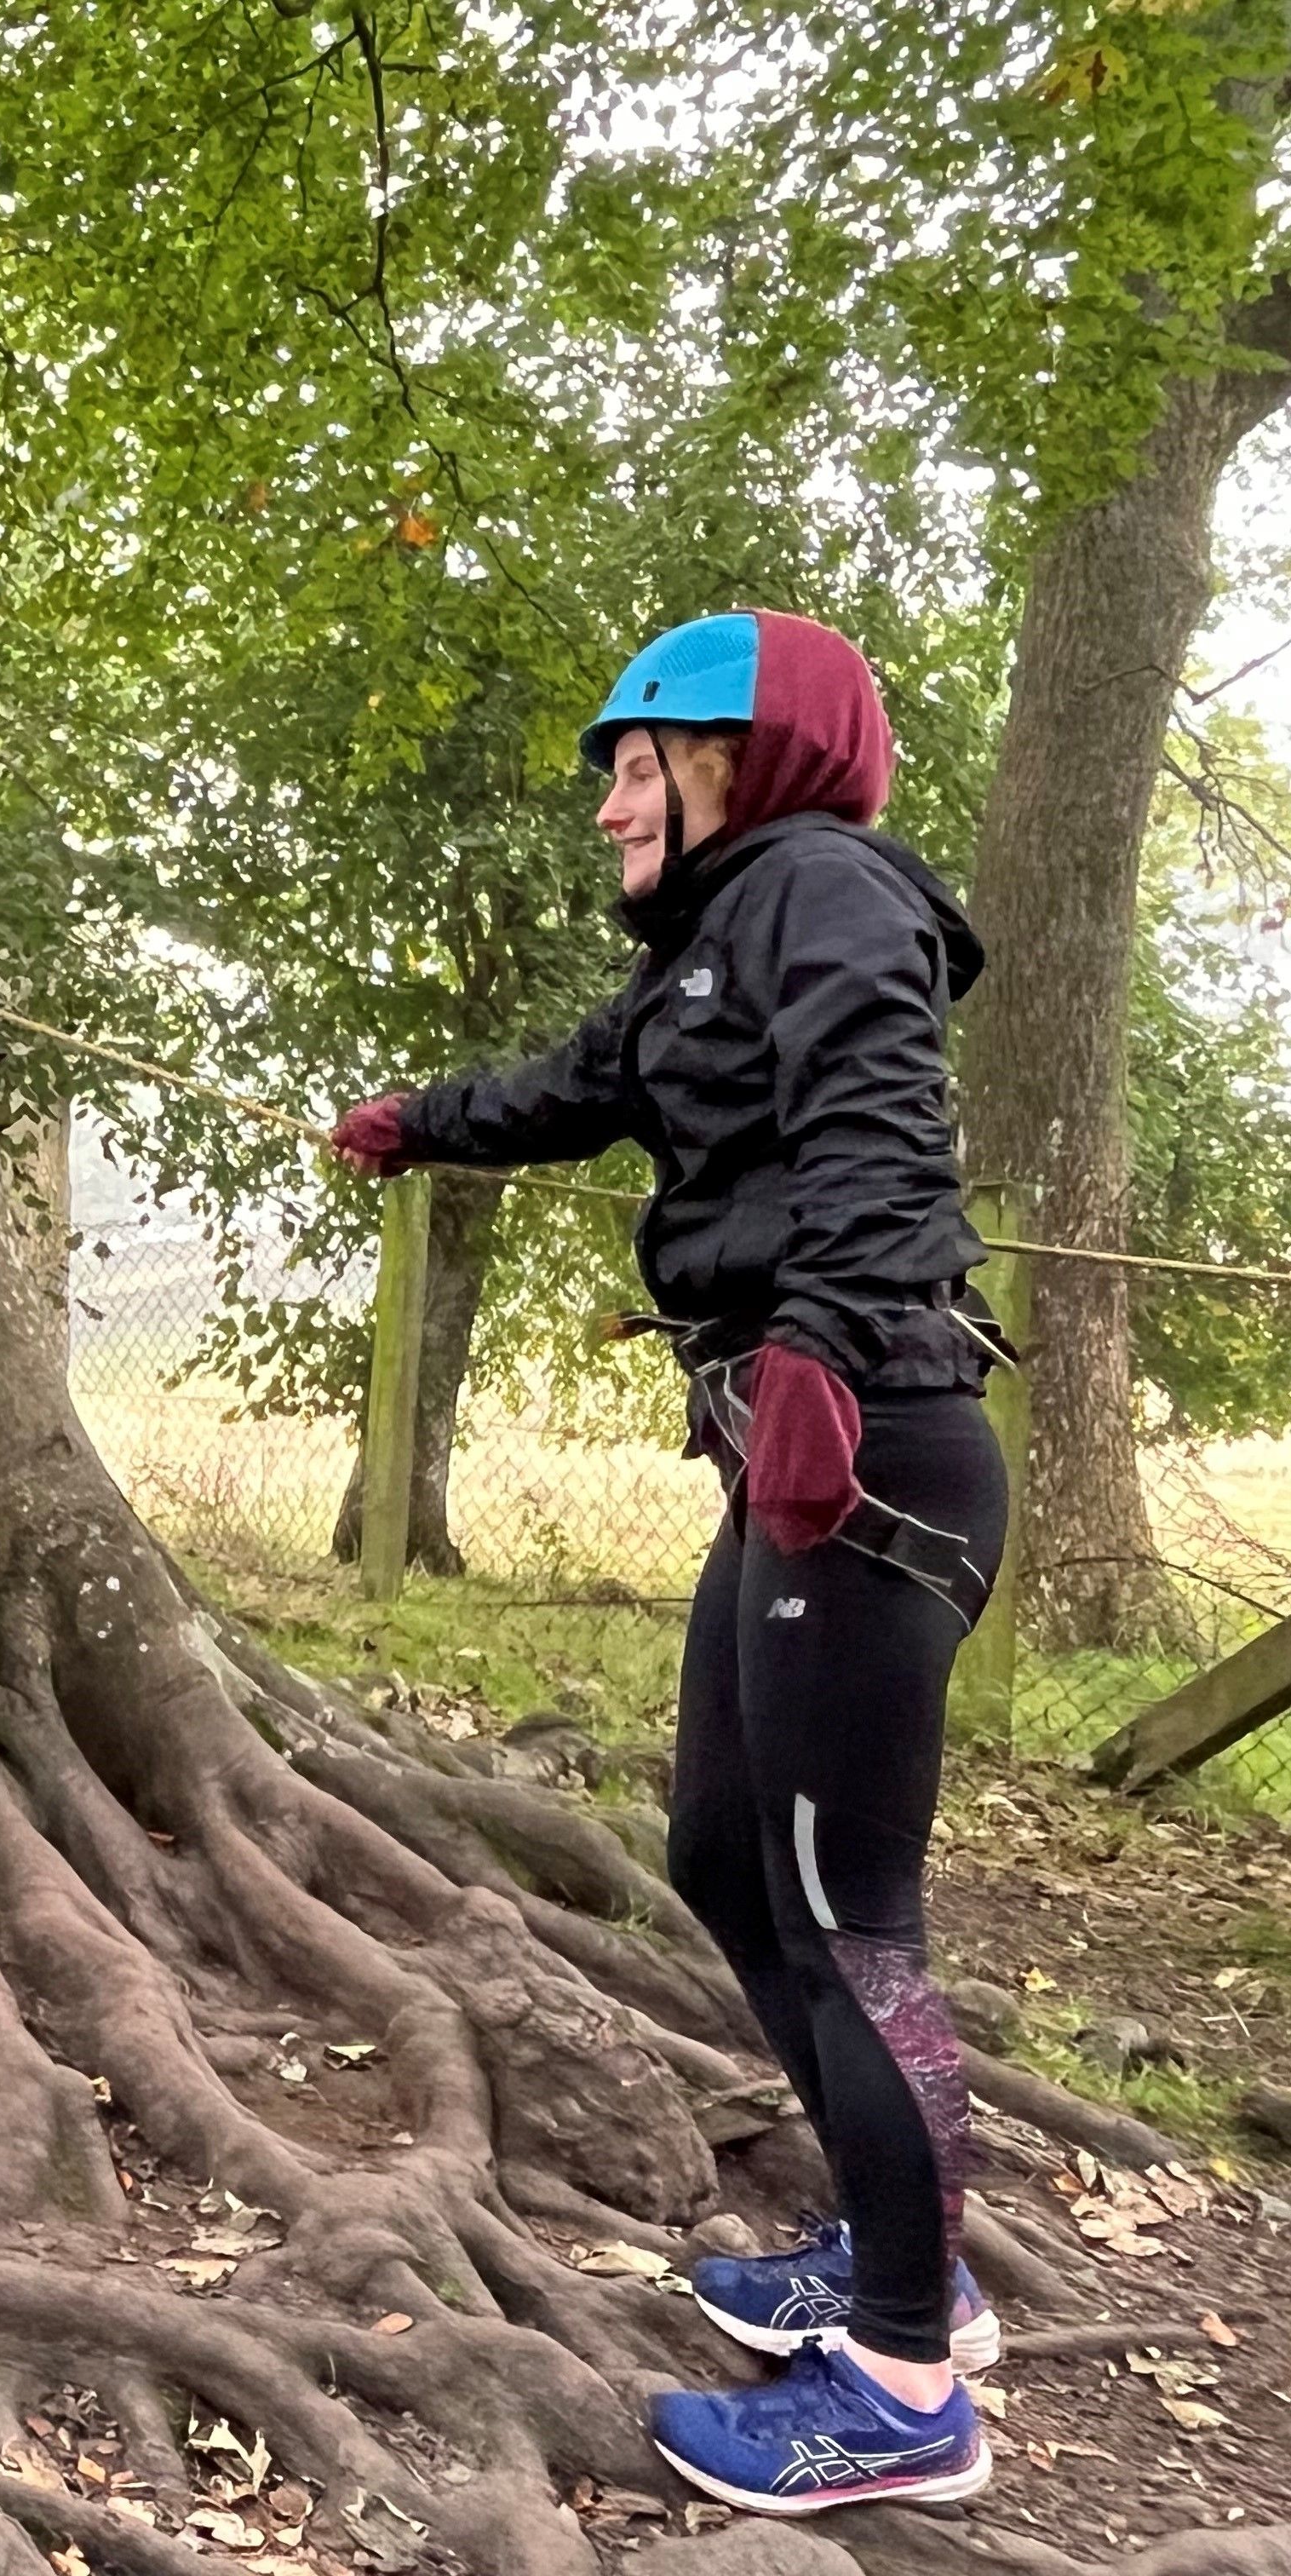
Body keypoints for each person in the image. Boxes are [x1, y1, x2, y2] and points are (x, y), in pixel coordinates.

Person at [330, 611, 1008, 2516]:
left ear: (748, 759)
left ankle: (904, 2388)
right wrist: (415, 1123)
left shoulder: (827, 890)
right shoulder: (713, 948)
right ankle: (907, 2258)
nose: (614, 802)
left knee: (838, 1899)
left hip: (864, 1447)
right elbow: (573, 1086)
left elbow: (880, 1127)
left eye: (642, 760)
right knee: (724, 1851)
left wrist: (818, 1352)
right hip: (794, 1451)